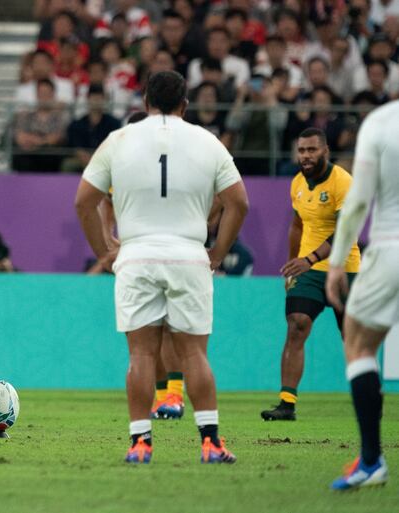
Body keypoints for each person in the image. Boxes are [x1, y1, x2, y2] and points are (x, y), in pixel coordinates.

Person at [75, 71, 249, 464]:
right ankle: (211, 442)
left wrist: (105, 252)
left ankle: (140, 443)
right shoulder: (208, 141)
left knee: (140, 355)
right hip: (189, 254)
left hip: (136, 254)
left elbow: (84, 202)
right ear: (185, 104)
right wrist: (217, 253)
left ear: (145, 102)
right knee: (194, 355)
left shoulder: (118, 140)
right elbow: (239, 203)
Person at [260, 127, 361, 422]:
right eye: (302, 150)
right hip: (309, 269)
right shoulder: (297, 184)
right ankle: (286, 403)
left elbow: (346, 230)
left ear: (325, 151)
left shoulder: (343, 182)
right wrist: (293, 263)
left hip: (345, 268)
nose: (305, 156)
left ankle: (367, 396)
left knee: (352, 338)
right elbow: (297, 225)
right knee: (296, 325)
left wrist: (310, 258)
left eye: (312, 150)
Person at [325, 101, 399, 490]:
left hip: (390, 247)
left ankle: (371, 460)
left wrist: (337, 262)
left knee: (357, 342)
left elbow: (357, 201)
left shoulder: (382, 122)